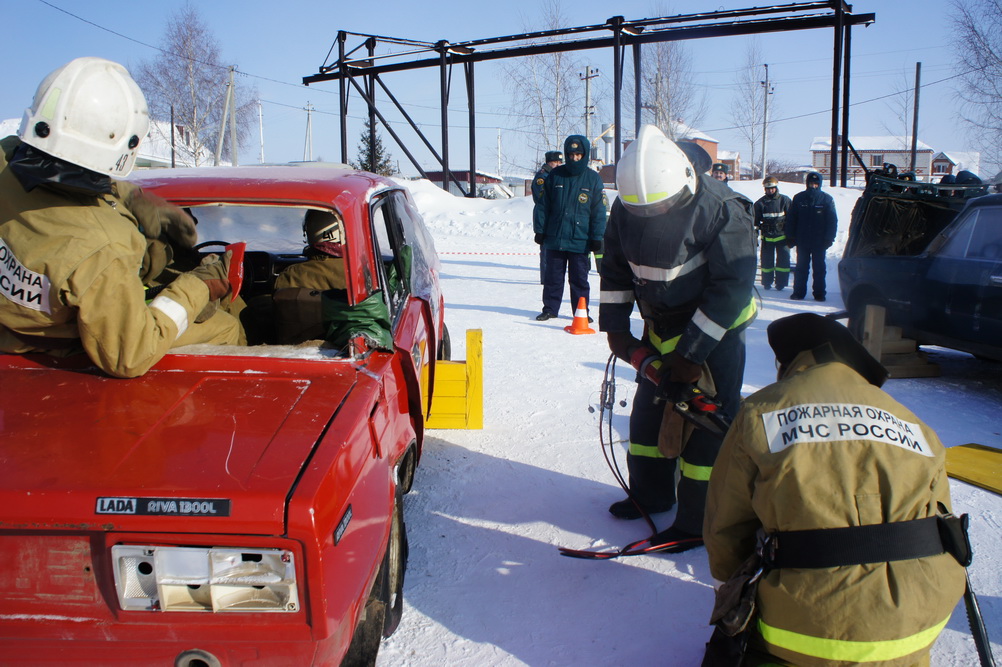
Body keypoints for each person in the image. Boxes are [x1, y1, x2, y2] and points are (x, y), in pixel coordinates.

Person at [703, 313, 967, 666]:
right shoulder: (910, 420)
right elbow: (942, 524)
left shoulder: (764, 411)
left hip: (808, 627)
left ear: (793, 362)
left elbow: (726, 521)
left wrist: (729, 589)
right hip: (920, 620)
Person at [0, 57, 243, 379]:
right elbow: (129, 356)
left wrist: (130, 196)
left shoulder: (7, 157)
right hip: (62, 345)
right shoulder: (105, 246)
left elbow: (65, 162)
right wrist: (198, 285)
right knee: (225, 326)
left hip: (13, 325)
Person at [599, 124, 757, 548]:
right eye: (641, 210)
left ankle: (697, 520)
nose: (650, 216)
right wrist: (616, 326)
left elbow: (731, 287)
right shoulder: (628, 205)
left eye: (660, 208)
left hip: (715, 332)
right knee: (649, 418)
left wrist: (690, 356)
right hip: (661, 325)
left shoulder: (723, 209)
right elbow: (614, 267)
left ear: (685, 181)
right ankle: (651, 496)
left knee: (706, 424)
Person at [533, 135, 606, 321]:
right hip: (555, 237)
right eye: (571, 154)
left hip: (580, 240)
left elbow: (599, 211)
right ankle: (550, 308)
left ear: (585, 155)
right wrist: (540, 230)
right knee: (552, 278)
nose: (574, 158)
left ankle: (581, 312)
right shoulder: (555, 176)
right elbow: (543, 205)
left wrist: (597, 237)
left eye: (578, 155)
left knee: (580, 280)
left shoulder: (593, 179)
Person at [786, 171, 837, 302]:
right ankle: (798, 292)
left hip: (819, 241)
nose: (813, 186)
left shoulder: (827, 199)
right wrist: (790, 236)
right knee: (801, 268)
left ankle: (819, 293)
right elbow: (791, 218)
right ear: (807, 184)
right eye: (811, 183)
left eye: (816, 184)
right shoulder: (799, 198)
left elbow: (832, 221)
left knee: (819, 268)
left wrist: (829, 238)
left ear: (820, 184)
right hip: (802, 240)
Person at [752, 176, 791, 291]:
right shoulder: (759, 204)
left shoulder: (785, 201)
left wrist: (791, 236)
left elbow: (791, 219)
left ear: (776, 187)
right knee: (766, 262)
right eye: (768, 189)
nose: (770, 191)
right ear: (765, 189)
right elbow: (755, 223)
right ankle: (767, 282)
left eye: (772, 188)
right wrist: (755, 237)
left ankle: (781, 283)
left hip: (782, 238)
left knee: (783, 262)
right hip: (767, 239)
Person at [531, 150, 563, 284]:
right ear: (549, 162)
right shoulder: (542, 177)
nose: (558, 164)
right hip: (545, 218)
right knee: (546, 251)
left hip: (555, 218)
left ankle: (553, 277)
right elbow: (541, 198)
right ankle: (546, 279)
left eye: (560, 162)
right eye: (556, 162)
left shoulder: (556, 176)